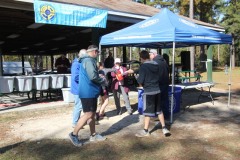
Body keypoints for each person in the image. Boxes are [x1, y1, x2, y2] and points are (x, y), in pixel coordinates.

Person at [69, 45, 107, 147]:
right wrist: (102, 80)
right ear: (94, 52)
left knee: (92, 114)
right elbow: (93, 76)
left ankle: (93, 135)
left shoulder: (86, 61)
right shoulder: (89, 61)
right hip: (88, 92)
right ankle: (74, 134)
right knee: (88, 114)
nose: (98, 54)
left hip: (90, 91)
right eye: (98, 53)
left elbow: (91, 75)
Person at [135, 50, 170, 137]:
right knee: (159, 110)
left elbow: (140, 80)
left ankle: (146, 130)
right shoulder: (156, 64)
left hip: (149, 91)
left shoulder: (143, 66)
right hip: (157, 90)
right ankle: (164, 128)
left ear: (142, 58)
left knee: (147, 112)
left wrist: (136, 76)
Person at [149, 49, 170, 119]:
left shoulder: (154, 62)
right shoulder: (164, 61)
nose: (149, 56)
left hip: (158, 84)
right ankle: (166, 116)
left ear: (153, 54)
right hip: (165, 83)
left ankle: (160, 116)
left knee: (158, 101)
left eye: (150, 55)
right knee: (165, 100)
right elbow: (168, 70)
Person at [70, 49, 87, 127]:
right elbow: (76, 77)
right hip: (78, 88)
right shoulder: (76, 64)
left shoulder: (79, 63)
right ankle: (75, 122)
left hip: (81, 88)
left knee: (81, 105)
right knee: (78, 106)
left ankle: (81, 120)